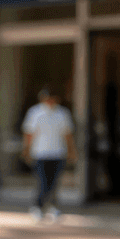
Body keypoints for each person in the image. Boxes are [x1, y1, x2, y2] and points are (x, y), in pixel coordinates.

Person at [22, 87, 77, 223]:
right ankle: (37, 207)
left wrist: (71, 151)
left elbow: (67, 134)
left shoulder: (62, 113)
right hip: (40, 153)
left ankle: (52, 207)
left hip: (57, 153)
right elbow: (29, 134)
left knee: (54, 182)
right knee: (43, 182)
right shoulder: (35, 112)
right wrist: (26, 150)